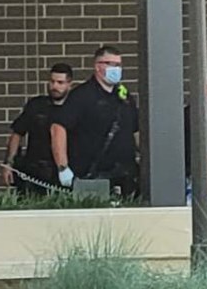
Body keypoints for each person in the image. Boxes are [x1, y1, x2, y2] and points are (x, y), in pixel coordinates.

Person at [51, 45, 140, 196]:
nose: (116, 69)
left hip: (126, 176)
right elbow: (58, 128)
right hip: (92, 177)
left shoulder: (124, 97)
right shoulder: (81, 96)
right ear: (98, 67)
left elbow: (135, 130)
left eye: (118, 65)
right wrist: (63, 167)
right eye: (111, 64)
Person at [2, 63, 74, 193]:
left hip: (63, 171)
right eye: (52, 81)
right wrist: (9, 163)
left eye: (60, 82)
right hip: (33, 170)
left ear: (70, 85)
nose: (55, 86)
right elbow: (17, 133)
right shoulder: (36, 105)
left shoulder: (74, 109)